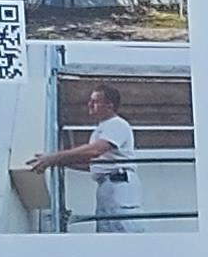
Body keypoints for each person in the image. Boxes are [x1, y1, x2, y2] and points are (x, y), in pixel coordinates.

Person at [25, 78, 139, 231]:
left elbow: (95, 151)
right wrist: (56, 162)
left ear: (110, 105)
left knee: (120, 228)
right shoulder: (103, 128)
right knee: (107, 229)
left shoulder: (116, 124)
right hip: (107, 183)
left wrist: (54, 157)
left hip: (118, 182)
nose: (90, 105)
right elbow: (91, 163)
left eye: (95, 101)